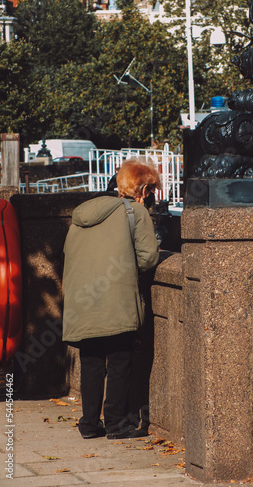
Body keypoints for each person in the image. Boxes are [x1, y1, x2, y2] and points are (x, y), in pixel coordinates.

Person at [62, 158, 161, 440]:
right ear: (141, 190)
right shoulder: (136, 213)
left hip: (82, 301)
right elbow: (148, 259)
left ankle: (89, 424)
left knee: (91, 361)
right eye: (150, 191)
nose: (151, 197)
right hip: (116, 300)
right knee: (120, 360)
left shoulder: (80, 216)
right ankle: (117, 424)